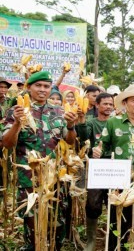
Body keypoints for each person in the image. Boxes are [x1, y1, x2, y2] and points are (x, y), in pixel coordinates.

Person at [2, 71, 78, 250]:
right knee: (32, 225)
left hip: (55, 179)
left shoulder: (59, 111)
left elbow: (70, 140)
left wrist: (71, 126)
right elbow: (7, 143)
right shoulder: (16, 111)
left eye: (46, 86)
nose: (42, 90)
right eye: (38, 86)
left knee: (57, 225)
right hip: (29, 178)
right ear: (29, 87)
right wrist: (17, 124)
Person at [92, 84, 134, 251]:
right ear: (125, 103)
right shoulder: (113, 122)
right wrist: (98, 150)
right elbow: (103, 146)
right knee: (118, 224)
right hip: (119, 181)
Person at [76, 92, 114, 251]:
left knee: (114, 203)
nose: (108, 107)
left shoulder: (117, 122)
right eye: (105, 104)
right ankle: (91, 239)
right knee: (93, 204)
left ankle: (112, 240)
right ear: (97, 105)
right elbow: (83, 136)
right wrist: (82, 121)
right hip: (96, 168)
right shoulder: (91, 122)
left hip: (115, 168)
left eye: (111, 104)